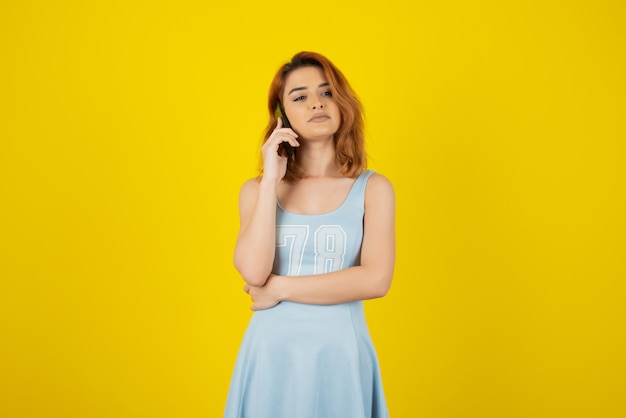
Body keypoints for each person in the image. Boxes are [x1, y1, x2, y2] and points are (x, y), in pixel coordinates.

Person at [224, 51, 395, 418]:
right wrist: (271, 178)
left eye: (327, 92)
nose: (316, 102)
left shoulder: (373, 188)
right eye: (299, 96)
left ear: (342, 101)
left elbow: (376, 279)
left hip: (342, 355)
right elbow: (254, 273)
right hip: (271, 355)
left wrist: (280, 289)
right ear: (281, 115)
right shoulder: (256, 191)